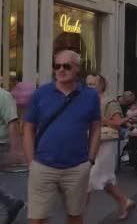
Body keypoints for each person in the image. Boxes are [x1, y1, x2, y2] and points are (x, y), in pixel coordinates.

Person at [24, 50, 102, 224]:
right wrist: (31, 162)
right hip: (43, 165)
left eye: (66, 66)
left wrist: (90, 160)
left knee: (75, 215)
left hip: (77, 166)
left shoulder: (90, 96)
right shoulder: (41, 94)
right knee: (37, 218)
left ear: (77, 69)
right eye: (56, 66)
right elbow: (28, 128)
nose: (60, 70)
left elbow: (96, 128)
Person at [85, 74, 135, 220]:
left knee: (87, 180)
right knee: (105, 180)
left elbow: (118, 123)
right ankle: (125, 201)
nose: (89, 87)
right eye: (87, 84)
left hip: (105, 144)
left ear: (101, 85)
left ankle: (77, 217)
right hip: (92, 142)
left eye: (93, 84)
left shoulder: (109, 102)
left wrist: (101, 119)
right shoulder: (88, 101)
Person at [0, 87, 25, 223]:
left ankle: (10, 203)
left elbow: (12, 123)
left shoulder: (4, 96)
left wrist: (16, 150)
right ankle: (11, 203)